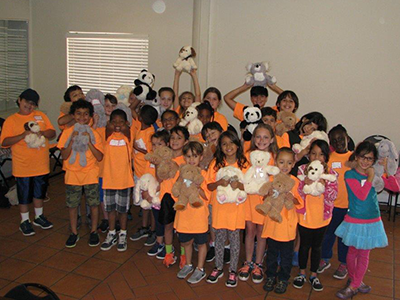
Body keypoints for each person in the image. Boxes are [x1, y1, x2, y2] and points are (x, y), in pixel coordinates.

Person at [334, 141, 399, 299]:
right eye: (362, 157)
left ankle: (355, 284)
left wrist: (385, 171)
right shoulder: (350, 174)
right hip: (356, 219)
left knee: (364, 254)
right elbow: (361, 195)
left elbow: (395, 187)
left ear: (374, 160)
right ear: (356, 157)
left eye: (369, 159)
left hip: (372, 220)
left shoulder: (375, 174)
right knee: (352, 252)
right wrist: (370, 177)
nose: (365, 161)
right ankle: (355, 279)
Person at [0, 89, 56, 236]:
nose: (29, 106)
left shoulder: (41, 116)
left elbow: (52, 133)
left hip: (41, 164)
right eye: (27, 102)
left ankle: (39, 217)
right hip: (23, 165)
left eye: (33, 104)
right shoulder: (11, 120)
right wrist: (22, 136)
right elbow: (4, 142)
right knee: (24, 194)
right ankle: (24, 220)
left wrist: (42, 133)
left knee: (39, 192)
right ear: (20, 100)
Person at [205, 131, 249, 287]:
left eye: (231, 143)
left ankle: (232, 270)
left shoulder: (244, 163)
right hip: (219, 208)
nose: (228, 147)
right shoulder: (216, 164)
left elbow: (250, 186)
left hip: (236, 209)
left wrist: (240, 185)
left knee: (235, 239)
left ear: (237, 145)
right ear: (220, 147)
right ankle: (218, 267)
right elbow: (208, 185)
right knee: (219, 238)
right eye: (224, 144)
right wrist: (218, 184)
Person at [58, 99, 103, 248]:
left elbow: (99, 156)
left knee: (94, 204)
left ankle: (94, 231)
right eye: (78, 114)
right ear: (73, 115)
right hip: (72, 174)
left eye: (86, 114)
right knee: (72, 205)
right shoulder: (67, 132)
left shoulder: (94, 133)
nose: (82, 117)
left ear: (91, 116)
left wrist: (89, 141)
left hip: (90, 173)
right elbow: (64, 156)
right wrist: (71, 140)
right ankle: (73, 232)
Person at [293, 139, 338, 292]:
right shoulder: (302, 170)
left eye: (321, 154)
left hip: (322, 217)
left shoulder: (331, 173)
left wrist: (325, 186)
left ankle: (314, 274)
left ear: (326, 156)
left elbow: (333, 196)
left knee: (317, 247)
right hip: (305, 217)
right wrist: (303, 184)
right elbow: (297, 193)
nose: (317, 157)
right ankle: (301, 272)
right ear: (309, 155)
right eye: (313, 153)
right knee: (304, 246)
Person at [238, 124, 277, 284]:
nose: (261, 140)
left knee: (261, 232)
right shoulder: (248, 155)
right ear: (253, 138)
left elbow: (275, 178)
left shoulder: (273, 157)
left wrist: (269, 190)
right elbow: (243, 175)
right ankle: (248, 261)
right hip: (249, 199)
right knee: (250, 231)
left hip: (264, 200)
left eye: (265, 137)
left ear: (272, 139)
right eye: (258, 137)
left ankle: (258, 263)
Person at [262, 147, 303, 294]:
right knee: (272, 253)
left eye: (289, 163)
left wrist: (293, 199)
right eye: (281, 162)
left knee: (287, 255)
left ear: (293, 165)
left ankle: (284, 278)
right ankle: (271, 276)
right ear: (275, 162)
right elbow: (263, 198)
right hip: (273, 225)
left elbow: (300, 202)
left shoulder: (295, 182)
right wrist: (268, 194)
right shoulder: (271, 180)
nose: (285, 166)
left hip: (287, 226)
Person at [317, 125, 353, 279]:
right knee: (328, 234)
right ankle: (325, 258)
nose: (338, 142)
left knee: (344, 236)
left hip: (350, 207)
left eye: (341, 138)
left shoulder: (354, 158)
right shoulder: (329, 158)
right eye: (334, 140)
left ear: (347, 138)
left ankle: (344, 263)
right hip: (332, 206)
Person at [175, 141, 209, 284]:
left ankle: (200, 268)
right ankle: (188, 264)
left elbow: (208, 196)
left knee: (201, 243)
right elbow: (175, 192)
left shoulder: (204, 174)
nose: (191, 160)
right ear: (184, 157)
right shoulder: (181, 173)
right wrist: (181, 180)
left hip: (199, 215)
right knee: (186, 241)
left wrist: (199, 187)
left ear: (201, 157)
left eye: (195, 156)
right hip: (184, 215)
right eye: (188, 156)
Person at [100, 109, 133, 252]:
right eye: (114, 122)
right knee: (110, 209)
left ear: (126, 123)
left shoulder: (127, 137)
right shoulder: (107, 135)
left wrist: (123, 126)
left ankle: (123, 234)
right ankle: (112, 232)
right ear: (109, 123)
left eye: (121, 122)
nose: (117, 125)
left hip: (124, 180)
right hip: (109, 180)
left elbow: (127, 130)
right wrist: (110, 126)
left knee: (123, 211)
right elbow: (108, 130)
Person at [159, 126, 189, 267]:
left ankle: (184, 254)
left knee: (182, 228)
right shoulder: (164, 156)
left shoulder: (187, 159)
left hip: (182, 198)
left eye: (179, 138)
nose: (175, 141)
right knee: (168, 226)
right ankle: (169, 253)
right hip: (166, 195)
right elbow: (158, 177)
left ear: (186, 141)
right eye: (172, 137)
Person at [129, 105, 158, 246]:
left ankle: (153, 229)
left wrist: (136, 148)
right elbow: (133, 112)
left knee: (151, 203)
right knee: (143, 204)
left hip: (148, 174)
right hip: (138, 172)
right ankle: (145, 227)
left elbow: (150, 153)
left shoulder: (150, 133)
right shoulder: (141, 128)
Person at [146, 129, 170, 258]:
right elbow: (146, 177)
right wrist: (146, 191)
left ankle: (168, 245)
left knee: (166, 222)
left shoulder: (166, 160)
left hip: (165, 195)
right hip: (154, 196)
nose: (156, 147)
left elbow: (161, 178)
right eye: (154, 144)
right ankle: (159, 242)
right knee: (157, 220)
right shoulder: (150, 158)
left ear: (166, 145)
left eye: (159, 144)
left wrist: (157, 164)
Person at [281, 111, 328, 175]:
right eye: (309, 124)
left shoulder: (315, 141)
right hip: (290, 173)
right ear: (304, 119)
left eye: (313, 129)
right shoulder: (289, 135)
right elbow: (283, 158)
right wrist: (304, 152)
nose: (309, 129)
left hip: (309, 174)